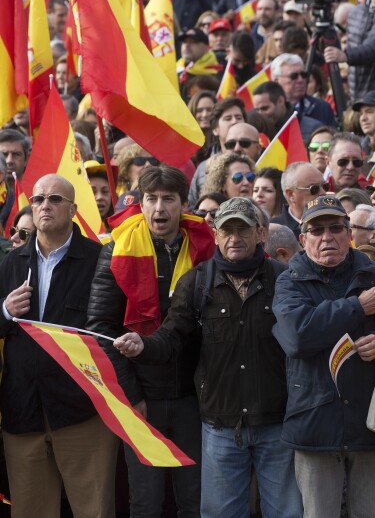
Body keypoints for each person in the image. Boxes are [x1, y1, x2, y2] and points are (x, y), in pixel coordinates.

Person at [114, 197, 301, 517]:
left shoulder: (285, 278)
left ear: (260, 234)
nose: (234, 238)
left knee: (285, 513)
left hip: (276, 424)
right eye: (227, 230)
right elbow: (171, 339)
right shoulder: (197, 282)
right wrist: (143, 346)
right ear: (215, 234)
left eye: (242, 230)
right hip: (221, 426)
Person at [87, 167, 214, 518]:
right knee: (145, 502)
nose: (160, 208)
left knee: (194, 499)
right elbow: (100, 329)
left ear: (183, 204)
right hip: (142, 399)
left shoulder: (205, 249)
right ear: (140, 204)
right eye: (152, 199)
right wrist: (132, 396)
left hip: (193, 399)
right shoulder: (117, 249)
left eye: (168, 199)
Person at [271, 196, 375, 517]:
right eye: (317, 230)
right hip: (314, 422)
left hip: (369, 421)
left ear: (349, 234)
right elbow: (297, 337)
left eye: (336, 228)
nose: (327, 237)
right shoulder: (289, 280)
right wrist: (357, 307)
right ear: (303, 240)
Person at [0, 175, 113, 517]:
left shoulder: (99, 260)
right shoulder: (10, 262)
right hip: (24, 411)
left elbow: (109, 330)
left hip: (82, 411)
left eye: (54, 199)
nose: (44, 206)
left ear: (74, 210)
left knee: (93, 510)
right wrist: (5, 311)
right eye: (37, 200)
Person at [272, 162, 328, 237]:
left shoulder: (338, 221)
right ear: (291, 194)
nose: (323, 193)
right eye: (314, 189)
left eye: (325, 186)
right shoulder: (273, 230)